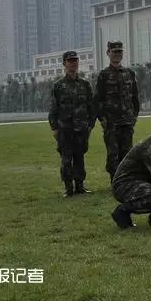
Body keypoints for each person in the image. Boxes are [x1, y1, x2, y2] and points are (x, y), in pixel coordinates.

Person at [48, 50, 96, 197]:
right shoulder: (58, 86)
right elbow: (53, 108)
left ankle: (80, 186)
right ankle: (68, 188)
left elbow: (91, 106)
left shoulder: (85, 84)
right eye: (70, 61)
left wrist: (90, 126)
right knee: (66, 159)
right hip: (65, 129)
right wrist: (54, 128)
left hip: (82, 128)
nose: (73, 63)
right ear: (64, 64)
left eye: (75, 60)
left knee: (80, 158)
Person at [95, 41, 140, 182]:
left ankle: (126, 181)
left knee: (127, 154)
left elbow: (135, 98)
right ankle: (115, 181)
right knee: (113, 154)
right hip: (111, 123)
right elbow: (98, 100)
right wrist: (102, 119)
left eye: (120, 52)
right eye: (114, 52)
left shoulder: (129, 73)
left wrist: (134, 117)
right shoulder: (103, 75)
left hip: (127, 121)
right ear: (108, 53)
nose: (117, 54)